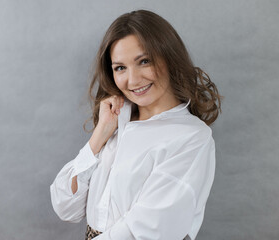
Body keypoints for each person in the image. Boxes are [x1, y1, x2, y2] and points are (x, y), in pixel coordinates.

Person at [50, 9, 222, 240]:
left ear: (169, 58)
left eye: (144, 61)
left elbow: (149, 229)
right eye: (120, 67)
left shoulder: (191, 137)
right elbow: (65, 206)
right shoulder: (118, 121)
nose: (132, 80)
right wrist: (99, 136)